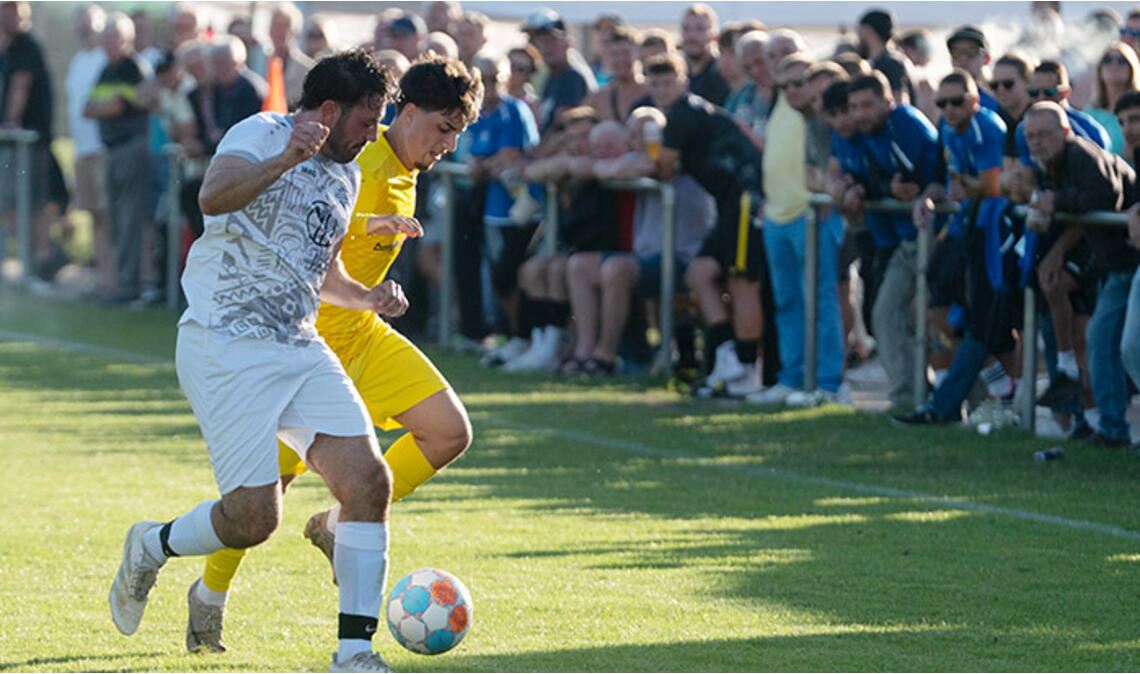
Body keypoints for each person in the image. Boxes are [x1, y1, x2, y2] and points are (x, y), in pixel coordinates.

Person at [109, 50, 403, 673]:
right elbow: (212, 198)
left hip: (297, 343)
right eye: (368, 119)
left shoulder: (345, 176)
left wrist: (367, 295)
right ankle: (152, 543)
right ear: (329, 111)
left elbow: (322, 272)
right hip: (226, 345)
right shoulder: (262, 132)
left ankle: (354, 653)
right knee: (252, 520)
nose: (374, 133)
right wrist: (283, 161)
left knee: (368, 483)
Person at [184, 54, 482, 656]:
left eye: (458, 133)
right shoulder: (359, 151)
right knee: (260, 503)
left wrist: (374, 291)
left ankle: (340, 526)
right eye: (444, 128)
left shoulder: (405, 161)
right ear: (408, 112)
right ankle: (207, 598)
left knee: (448, 432)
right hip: (300, 342)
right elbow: (307, 221)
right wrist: (371, 226)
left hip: (362, 337)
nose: (448, 144)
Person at [646, 52, 768, 397]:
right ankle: (727, 355)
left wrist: (629, 163)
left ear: (684, 82)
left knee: (742, 282)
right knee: (699, 272)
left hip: (747, 198)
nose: (662, 89)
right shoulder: (686, 114)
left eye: (668, 81)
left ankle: (746, 371)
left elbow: (663, 169)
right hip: (730, 203)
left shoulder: (684, 113)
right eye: (655, 83)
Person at [896, 70, 1012, 426]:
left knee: (987, 322)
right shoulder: (947, 130)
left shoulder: (988, 128)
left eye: (957, 101)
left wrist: (964, 186)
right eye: (942, 103)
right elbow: (950, 183)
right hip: (965, 226)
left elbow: (992, 188)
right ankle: (985, 389)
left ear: (975, 101)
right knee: (936, 308)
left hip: (994, 231)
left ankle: (988, 399)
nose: (949, 109)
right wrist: (934, 197)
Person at [567, 106, 716, 374]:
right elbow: (610, 167)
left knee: (617, 269)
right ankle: (584, 351)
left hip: (684, 257)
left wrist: (603, 167)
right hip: (648, 256)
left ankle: (606, 356)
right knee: (579, 265)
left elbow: (646, 165)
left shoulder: (672, 158)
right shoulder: (634, 160)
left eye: (647, 132)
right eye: (634, 134)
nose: (641, 139)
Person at [1023, 102, 1138, 447]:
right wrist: (1056, 250)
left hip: (1130, 264)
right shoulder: (1054, 164)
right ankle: (1111, 430)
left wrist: (1056, 201)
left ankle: (1111, 426)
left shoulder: (1079, 154)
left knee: (1127, 346)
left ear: (1066, 132)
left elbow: (1104, 196)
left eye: (1044, 134)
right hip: (1116, 266)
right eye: (1030, 136)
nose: (1037, 142)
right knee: (1103, 342)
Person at [747, 53, 847, 407]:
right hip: (778, 216)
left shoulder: (824, 116)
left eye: (799, 82)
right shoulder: (782, 109)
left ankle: (829, 383)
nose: (792, 90)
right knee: (787, 303)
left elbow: (827, 173)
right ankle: (793, 379)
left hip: (812, 217)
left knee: (820, 301)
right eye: (785, 84)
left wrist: (821, 194)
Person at [847, 71, 938, 413]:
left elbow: (912, 183)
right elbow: (878, 183)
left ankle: (931, 398)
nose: (860, 114)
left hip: (935, 234)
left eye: (867, 105)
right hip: (907, 239)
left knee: (931, 319)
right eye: (854, 106)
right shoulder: (869, 131)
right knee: (887, 314)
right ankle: (911, 396)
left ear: (889, 101)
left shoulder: (904, 124)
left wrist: (877, 189)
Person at [84, 12, 153, 305]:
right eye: (107, 38)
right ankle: (116, 283)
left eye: (116, 38)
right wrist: (107, 107)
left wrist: (107, 107)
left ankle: (129, 286)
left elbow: (116, 107)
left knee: (129, 219)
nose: (110, 44)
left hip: (131, 149)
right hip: (111, 150)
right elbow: (88, 109)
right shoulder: (106, 70)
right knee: (114, 218)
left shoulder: (132, 68)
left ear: (127, 40)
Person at [1, 1, 59, 282]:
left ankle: (39, 263)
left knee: (30, 204)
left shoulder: (26, 46)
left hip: (30, 142)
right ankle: (32, 261)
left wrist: (10, 122)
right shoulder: (9, 48)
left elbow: (20, 86)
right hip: (19, 144)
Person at [66, 4, 112, 297]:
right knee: (94, 215)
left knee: (107, 215)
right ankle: (102, 277)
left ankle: (111, 280)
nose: (86, 29)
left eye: (91, 23)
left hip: (102, 148)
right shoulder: (77, 61)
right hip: (83, 148)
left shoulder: (104, 60)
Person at [523, 9, 596, 134]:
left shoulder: (572, 77)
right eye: (538, 41)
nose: (545, 47)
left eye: (551, 41)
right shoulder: (552, 76)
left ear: (567, 43)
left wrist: (538, 153)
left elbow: (564, 130)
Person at [584, 26, 649, 123]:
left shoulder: (653, 90)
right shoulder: (599, 98)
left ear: (638, 54)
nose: (620, 59)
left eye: (626, 53)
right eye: (615, 54)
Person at [1086, 42, 1140, 156]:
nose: (1114, 64)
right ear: (1099, 70)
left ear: (1132, 69)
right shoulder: (1089, 114)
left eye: (1121, 60)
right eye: (1107, 60)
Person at [856, 8, 913, 105]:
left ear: (867, 30)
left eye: (859, 31)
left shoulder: (891, 63)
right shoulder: (884, 61)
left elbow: (899, 101)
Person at [680, 3, 729, 106]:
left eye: (700, 29)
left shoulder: (723, 75)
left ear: (714, 35)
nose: (691, 36)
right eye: (686, 29)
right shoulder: (679, 76)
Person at [268, 2, 314, 107]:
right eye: (276, 26)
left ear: (295, 31)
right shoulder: (258, 63)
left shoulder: (307, 69)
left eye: (284, 26)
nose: (279, 32)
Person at [945, 26, 999, 113]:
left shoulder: (1002, 95)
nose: (963, 59)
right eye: (956, 52)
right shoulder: (942, 102)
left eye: (971, 52)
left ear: (987, 58)